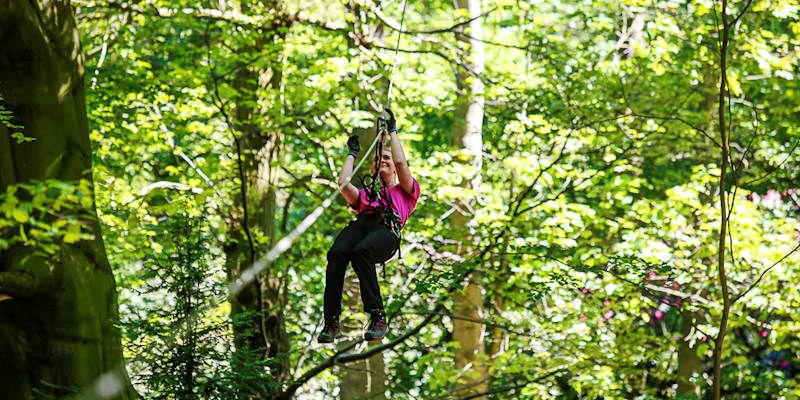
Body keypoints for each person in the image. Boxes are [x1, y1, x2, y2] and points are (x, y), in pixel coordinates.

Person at [318, 109, 420, 343]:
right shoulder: (366, 195)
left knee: (361, 252)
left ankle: (377, 316)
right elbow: (343, 183)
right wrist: (352, 155)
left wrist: (392, 132)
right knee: (337, 254)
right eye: (377, 160)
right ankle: (331, 320)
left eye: (386, 160)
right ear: (372, 169)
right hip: (364, 225)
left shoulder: (405, 191)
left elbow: (401, 161)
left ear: (393, 168)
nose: (382, 162)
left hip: (386, 229)